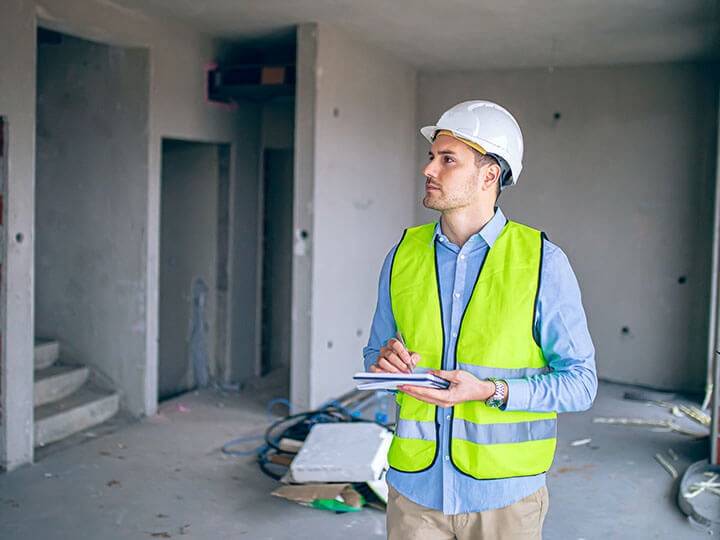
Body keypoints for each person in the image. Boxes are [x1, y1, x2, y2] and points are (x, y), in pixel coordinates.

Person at [363, 100, 598, 540]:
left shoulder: (542, 262)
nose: (428, 169)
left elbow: (581, 383)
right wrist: (385, 361)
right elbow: (374, 354)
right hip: (415, 493)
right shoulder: (402, 256)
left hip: (505, 500)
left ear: (489, 175)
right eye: (432, 157)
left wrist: (491, 391)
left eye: (447, 159)